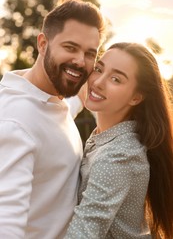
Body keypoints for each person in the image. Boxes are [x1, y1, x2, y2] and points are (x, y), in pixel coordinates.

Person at [0, 0, 105, 238]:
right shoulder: (15, 122)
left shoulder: (47, 100)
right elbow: (6, 226)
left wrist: (84, 97)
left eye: (90, 53)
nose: (80, 61)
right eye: (70, 47)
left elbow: (59, 112)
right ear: (43, 43)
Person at [65, 42, 173, 238]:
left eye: (116, 79)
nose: (98, 82)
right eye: (98, 69)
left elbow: (84, 231)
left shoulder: (120, 155)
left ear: (136, 97)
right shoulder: (106, 137)